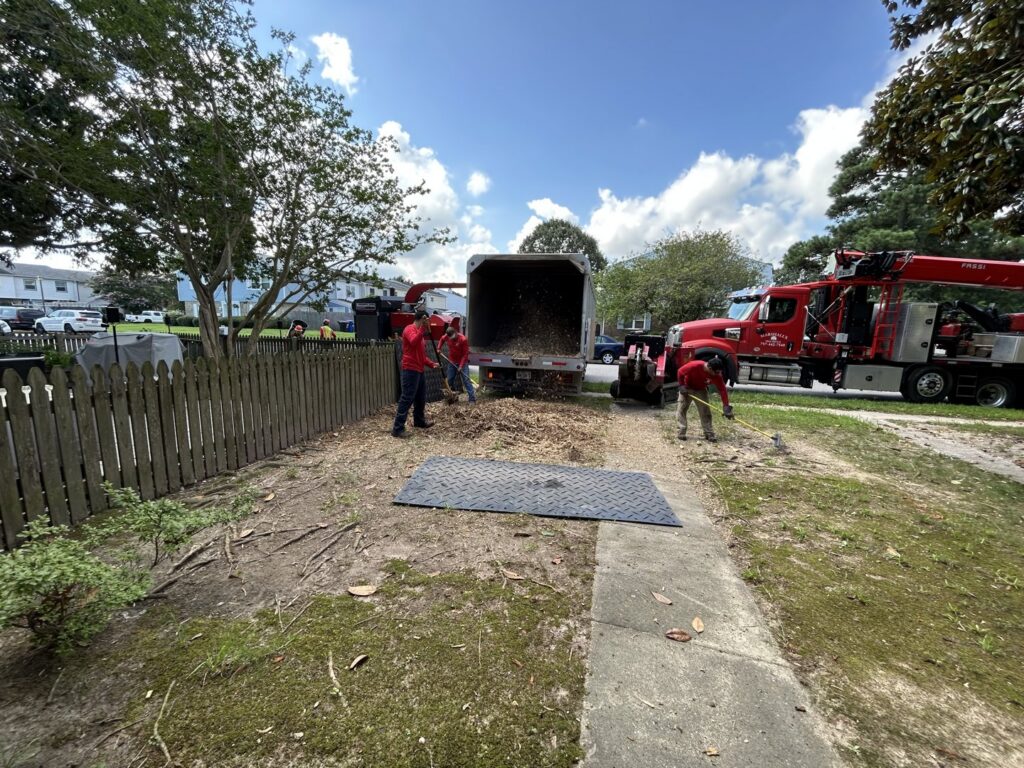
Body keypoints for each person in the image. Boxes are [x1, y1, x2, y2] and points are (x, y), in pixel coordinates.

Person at [392, 309, 440, 437]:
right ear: (422, 319)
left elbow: (422, 355)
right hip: (410, 369)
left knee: (420, 398)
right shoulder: (409, 329)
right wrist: (422, 329)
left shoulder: (420, 334)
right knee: (407, 398)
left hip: (419, 369)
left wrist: (431, 364)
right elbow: (413, 342)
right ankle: (397, 429)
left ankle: (419, 421)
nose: (428, 323)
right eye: (427, 320)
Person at [676, 357, 734, 442]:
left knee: (705, 411)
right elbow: (680, 371)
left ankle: (709, 433)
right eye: (717, 372)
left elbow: (722, 389)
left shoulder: (717, 375)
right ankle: (681, 432)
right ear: (710, 368)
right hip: (687, 388)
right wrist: (681, 385)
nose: (718, 374)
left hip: (701, 390)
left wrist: (726, 406)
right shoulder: (695, 365)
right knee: (681, 410)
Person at [437, 325, 476, 404]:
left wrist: (461, 366)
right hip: (452, 361)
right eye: (449, 337)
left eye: (452, 337)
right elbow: (441, 339)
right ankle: (453, 397)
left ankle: (472, 399)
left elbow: (465, 354)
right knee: (450, 380)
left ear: (455, 332)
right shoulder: (447, 336)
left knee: (466, 380)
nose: (451, 339)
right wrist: (438, 348)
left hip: (463, 362)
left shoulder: (463, 339)